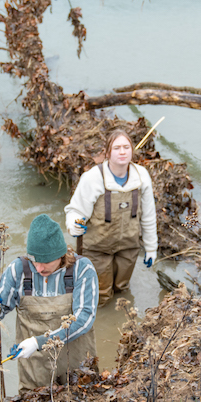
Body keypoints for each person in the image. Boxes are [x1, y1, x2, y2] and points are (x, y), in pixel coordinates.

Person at [0, 214, 99, 389]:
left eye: (45, 261)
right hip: (35, 369)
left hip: (77, 365)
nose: (38, 268)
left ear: (61, 255)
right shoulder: (18, 270)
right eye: (34, 260)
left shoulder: (82, 269)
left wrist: (39, 342)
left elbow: (84, 319)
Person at [64, 129, 158, 307]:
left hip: (129, 246)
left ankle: (120, 323)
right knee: (101, 295)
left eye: (126, 147)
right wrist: (74, 225)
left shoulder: (141, 176)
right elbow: (75, 211)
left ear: (132, 150)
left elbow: (149, 216)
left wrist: (152, 248)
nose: (122, 152)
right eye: (117, 148)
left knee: (122, 289)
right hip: (97, 248)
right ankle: (101, 325)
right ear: (107, 153)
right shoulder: (92, 178)